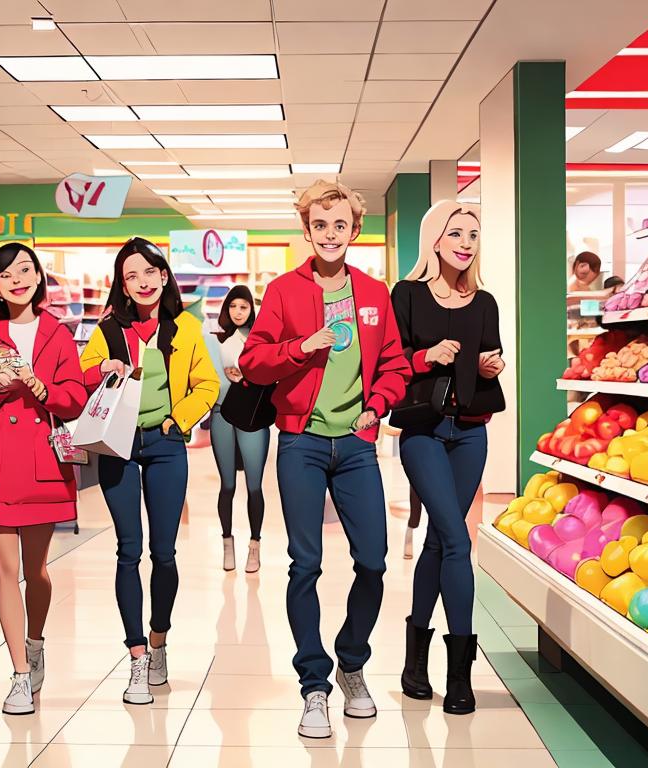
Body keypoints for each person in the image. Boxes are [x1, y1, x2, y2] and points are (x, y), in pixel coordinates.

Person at [240, 180, 411, 739]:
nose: (330, 234)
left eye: (340, 225)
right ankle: (314, 684)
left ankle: (352, 662)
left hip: (357, 446)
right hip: (301, 443)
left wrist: (378, 406)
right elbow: (255, 360)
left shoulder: (374, 293)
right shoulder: (284, 292)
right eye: (320, 225)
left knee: (374, 561)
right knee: (305, 564)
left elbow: (395, 365)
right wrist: (302, 347)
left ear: (354, 230)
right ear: (307, 230)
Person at [0, 243, 87, 716]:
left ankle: (36, 641)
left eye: (25, 269)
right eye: (6, 275)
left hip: (43, 465)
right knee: (6, 570)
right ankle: (20, 675)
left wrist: (43, 390)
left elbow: (75, 399)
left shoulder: (58, 336)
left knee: (36, 571)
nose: (17, 279)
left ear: (38, 276)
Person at [80, 237, 218, 705]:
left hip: (165, 445)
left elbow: (208, 383)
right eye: (129, 276)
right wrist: (103, 365)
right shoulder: (108, 329)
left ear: (163, 275)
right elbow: (82, 374)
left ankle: (159, 640)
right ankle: (136, 656)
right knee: (127, 550)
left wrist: (178, 420)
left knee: (163, 552)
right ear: (122, 285)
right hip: (116, 444)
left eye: (147, 272)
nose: (140, 282)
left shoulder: (187, 328)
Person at [391, 201, 505, 716]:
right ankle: (460, 675)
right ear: (434, 238)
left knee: (440, 540)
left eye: (473, 235)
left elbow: (489, 359)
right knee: (458, 540)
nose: (465, 242)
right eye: (456, 232)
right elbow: (388, 362)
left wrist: (487, 365)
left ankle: (418, 663)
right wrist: (426, 357)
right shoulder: (408, 296)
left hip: (470, 433)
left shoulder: (485, 302)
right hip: (422, 431)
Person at [205, 285, 270, 573]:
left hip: (252, 414)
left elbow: (273, 373)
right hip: (222, 412)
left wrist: (248, 374)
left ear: (251, 309)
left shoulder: (260, 340)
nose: (238, 312)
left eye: (244, 307)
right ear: (226, 309)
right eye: (233, 306)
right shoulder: (214, 340)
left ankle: (255, 546)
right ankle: (227, 543)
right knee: (228, 485)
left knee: (254, 486)